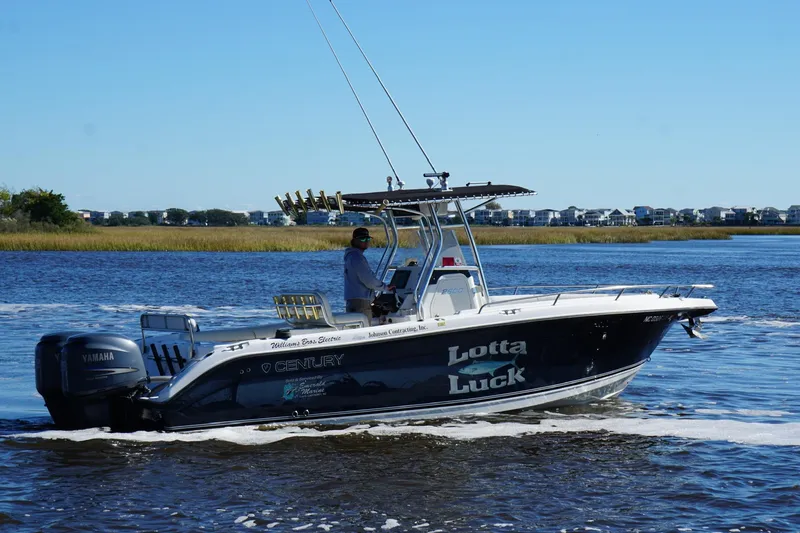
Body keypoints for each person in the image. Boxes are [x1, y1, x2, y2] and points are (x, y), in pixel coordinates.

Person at [344, 227, 394, 317]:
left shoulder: (351, 256)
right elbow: (369, 281)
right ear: (354, 241)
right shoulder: (357, 258)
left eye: (368, 238)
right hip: (360, 303)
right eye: (363, 239)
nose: (366, 241)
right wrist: (386, 287)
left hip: (353, 302)